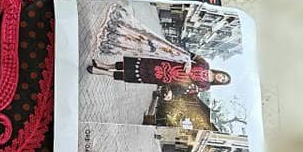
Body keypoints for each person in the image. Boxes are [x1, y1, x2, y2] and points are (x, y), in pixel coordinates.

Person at [87, 55, 231, 94]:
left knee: (135, 75)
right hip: (165, 64)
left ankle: (102, 73)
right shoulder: (205, 63)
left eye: (223, 80)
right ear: (221, 72)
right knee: (136, 64)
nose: (221, 78)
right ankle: (105, 66)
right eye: (223, 76)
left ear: (220, 83)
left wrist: (172, 92)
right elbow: (189, 54)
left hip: (165, 78)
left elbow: (188, 90)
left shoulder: (205, 87)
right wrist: (188, 61)